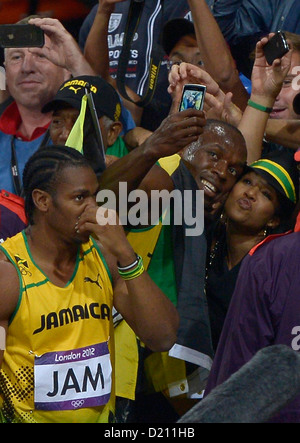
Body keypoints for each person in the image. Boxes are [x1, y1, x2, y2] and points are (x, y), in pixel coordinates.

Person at [0, 144, 179, 423]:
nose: (94, 209)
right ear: (42, 200)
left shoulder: (105, 259)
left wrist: (126, 254)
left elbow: (163, 337)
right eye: (80, 198)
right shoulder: (9, 273)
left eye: (95, 196)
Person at [99, 112, 248, 421]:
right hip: (107, 359)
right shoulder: (162, 178)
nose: (222, 172)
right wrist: (149, 147)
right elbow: (104, 202)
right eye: (214, 155)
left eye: (233, 169)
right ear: (186, 148)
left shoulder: (201, 219)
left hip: (148, 371)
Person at [206, 150, 299, 351]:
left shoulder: (270, 270)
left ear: (274, 220)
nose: (250, 193)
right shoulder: (208, 236)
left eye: (266, 194)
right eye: (247, 182)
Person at [42, 74, 129, 165]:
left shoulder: (131, 174)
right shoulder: (44, 170)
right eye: (58, 122)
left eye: (80, 123)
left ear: (112, 133)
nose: (66, 135)